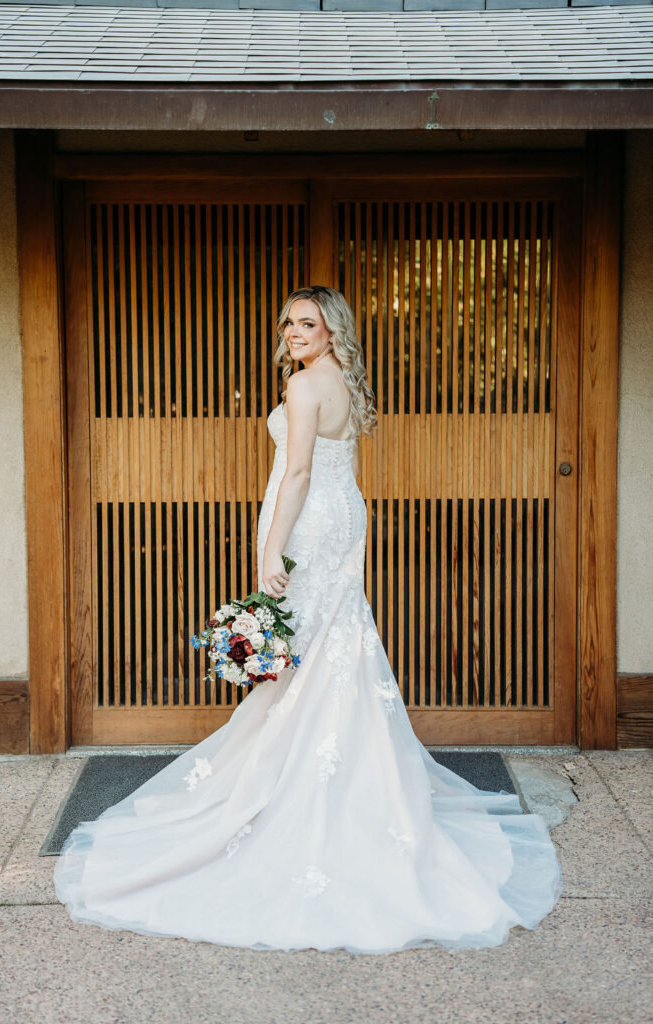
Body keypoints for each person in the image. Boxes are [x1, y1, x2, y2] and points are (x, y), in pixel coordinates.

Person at [53, 285, 562, 953]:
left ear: (331, 330)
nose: (294, 332)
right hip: (343, 518)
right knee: (331, 648)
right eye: (289, 322)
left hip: (310, 525)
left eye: (308, 323)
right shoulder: (342, 380)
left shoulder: (301, 388)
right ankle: (347, 777)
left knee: (293, 655)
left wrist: (269, 554)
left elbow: (294, 473)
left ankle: (283, 791)